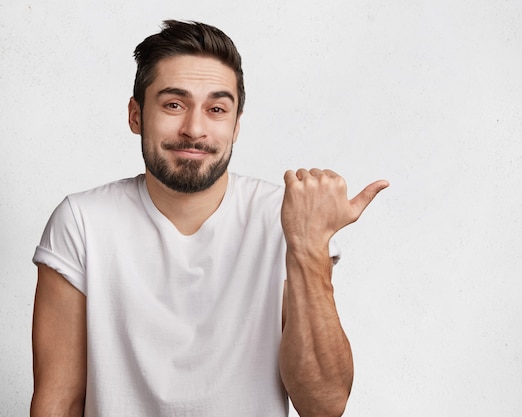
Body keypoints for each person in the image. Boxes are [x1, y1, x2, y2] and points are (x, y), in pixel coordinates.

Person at [31, 20, 388, 417]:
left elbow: (323, 405)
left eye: (216, 109)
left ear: (235, 126)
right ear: (136, 116)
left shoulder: (281, 218)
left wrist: (308, 247)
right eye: (173, 104)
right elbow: (57, 401)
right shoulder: (82, 222)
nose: (195, 129)